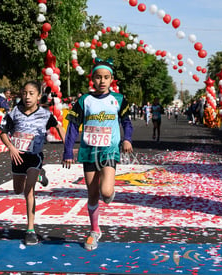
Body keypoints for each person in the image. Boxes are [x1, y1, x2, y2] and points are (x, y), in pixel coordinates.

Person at [62, 58, 133, 251]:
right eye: (98, 77)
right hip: (88, 151)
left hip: (109, 150)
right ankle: (94, 230)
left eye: (106, 78)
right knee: (92, 194)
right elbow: (73, 127)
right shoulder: (84, 100)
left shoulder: (118, 100)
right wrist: (68, 150)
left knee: (106, 191)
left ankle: (109, 192)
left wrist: (127, 139)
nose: (102, 81)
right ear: (92, 79)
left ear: (112, 80)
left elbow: (127, 122)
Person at [0, 81, 65, 245]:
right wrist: (11, 148)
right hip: (17, 157)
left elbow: (59, 127)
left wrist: (68, 148)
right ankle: (41, 175)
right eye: (25, 93)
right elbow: (3, 132)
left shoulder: (45, 114)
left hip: (34, 156)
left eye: (31, 93)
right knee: (17, 190)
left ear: (38, 96)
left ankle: (30, 230)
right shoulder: (14, 113)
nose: (27, 97)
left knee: (29, 191)